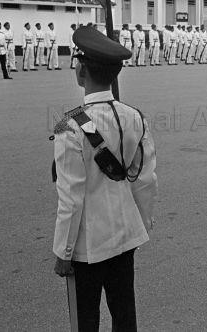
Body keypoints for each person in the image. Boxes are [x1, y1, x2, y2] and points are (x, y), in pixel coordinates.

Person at [52, 26, 157, 331]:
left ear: (81, 70)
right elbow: (146, 180)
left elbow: (71, 198)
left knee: (86, 318)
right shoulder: (134, 116)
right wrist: (140, 223)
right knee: (125, 313)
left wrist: (63, 251)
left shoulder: (69, 126)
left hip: (88, 243)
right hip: (125, 235)